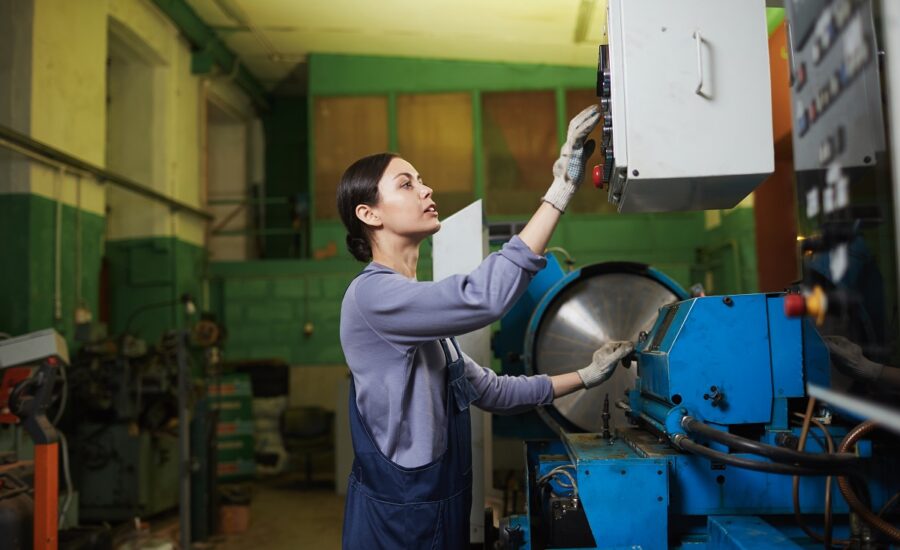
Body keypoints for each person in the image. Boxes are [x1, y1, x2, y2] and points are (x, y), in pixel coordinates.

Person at [337, 105, 633, 549]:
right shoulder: (372, 298)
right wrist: (562, 188)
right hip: (399, 520)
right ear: (370, 214)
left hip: (440, 508)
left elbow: (492, 391)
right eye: (406, 183)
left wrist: (586, 376)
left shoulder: (421, 314)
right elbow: (484, 296)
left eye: (421, 179)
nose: (426, 188)